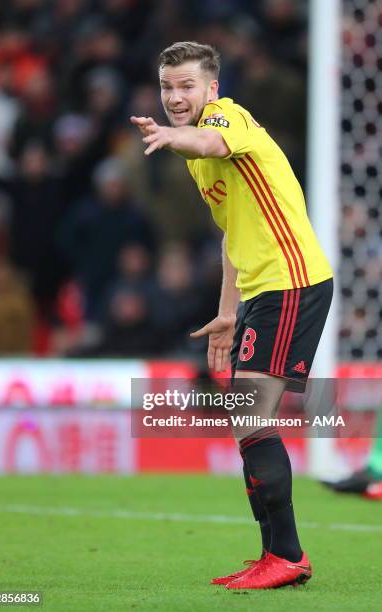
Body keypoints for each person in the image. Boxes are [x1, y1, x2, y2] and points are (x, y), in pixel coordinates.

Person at [131, 41, 333, 590]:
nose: (176, 98)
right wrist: (228, 311)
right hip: (264, 291)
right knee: (246, 416)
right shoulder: (200, 161)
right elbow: (230, 234)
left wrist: (177, 136)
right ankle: (276, 555)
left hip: (292, 282)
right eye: (168, 87)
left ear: (211, 89)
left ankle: (287, 557)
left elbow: (209, 136)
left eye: (187, 86)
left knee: (251, 416)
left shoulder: (226, 119)